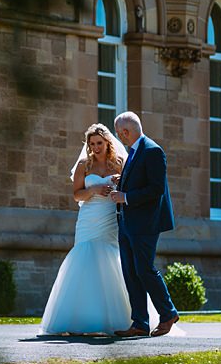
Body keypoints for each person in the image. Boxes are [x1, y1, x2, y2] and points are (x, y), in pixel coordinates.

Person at [38, 123, 136, 336]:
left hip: (110, 216)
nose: (95, 147)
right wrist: (93, 190)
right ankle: (78, 319)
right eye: (92, 144)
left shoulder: (119, 163)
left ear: (107, 142)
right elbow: (76, 195)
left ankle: (123, 318)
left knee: (111, 260)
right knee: (84, 258)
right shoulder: (84, 165)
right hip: (89, 218)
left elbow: (130, 189)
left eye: (99, 143)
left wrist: (121, 184)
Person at [109, 111, 181, 337]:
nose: (120, 137)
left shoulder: (152, 150)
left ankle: (168, 313)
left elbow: (156, 189)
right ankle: (140, 322)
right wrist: (123, 182)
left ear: (127, 131)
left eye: (121, 133)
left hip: (145, 224)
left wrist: (125, 197)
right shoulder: (134, 151)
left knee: (144, 269)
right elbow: (141, 180)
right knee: (130, 272)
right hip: (127, 222)